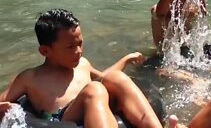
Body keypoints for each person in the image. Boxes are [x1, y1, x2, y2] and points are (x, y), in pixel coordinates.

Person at [0, 9, 163, 128]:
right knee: (94, 89)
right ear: (45, 51)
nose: (78, 51)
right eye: (70, 47)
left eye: (80, 43)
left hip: (94, 103)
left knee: (115, 77)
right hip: (62, 120)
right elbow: (3, 99)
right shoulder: (30, 77)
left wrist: (126, 60)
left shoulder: (82, 64)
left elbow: (105, 79)